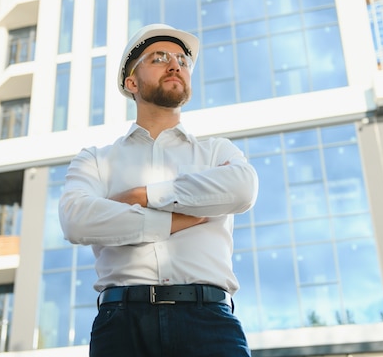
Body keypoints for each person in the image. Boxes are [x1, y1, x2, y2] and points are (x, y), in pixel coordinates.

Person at [59, 24, 259, 356]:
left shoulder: (217, 152)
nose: (175, 64)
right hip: (121, 325)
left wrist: (142, 196)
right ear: (131, 82)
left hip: (209, 321)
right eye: (160, 57)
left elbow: (242, 190)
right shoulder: (95, 159)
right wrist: (177, 218)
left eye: (182, 60)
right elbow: (77, 221)